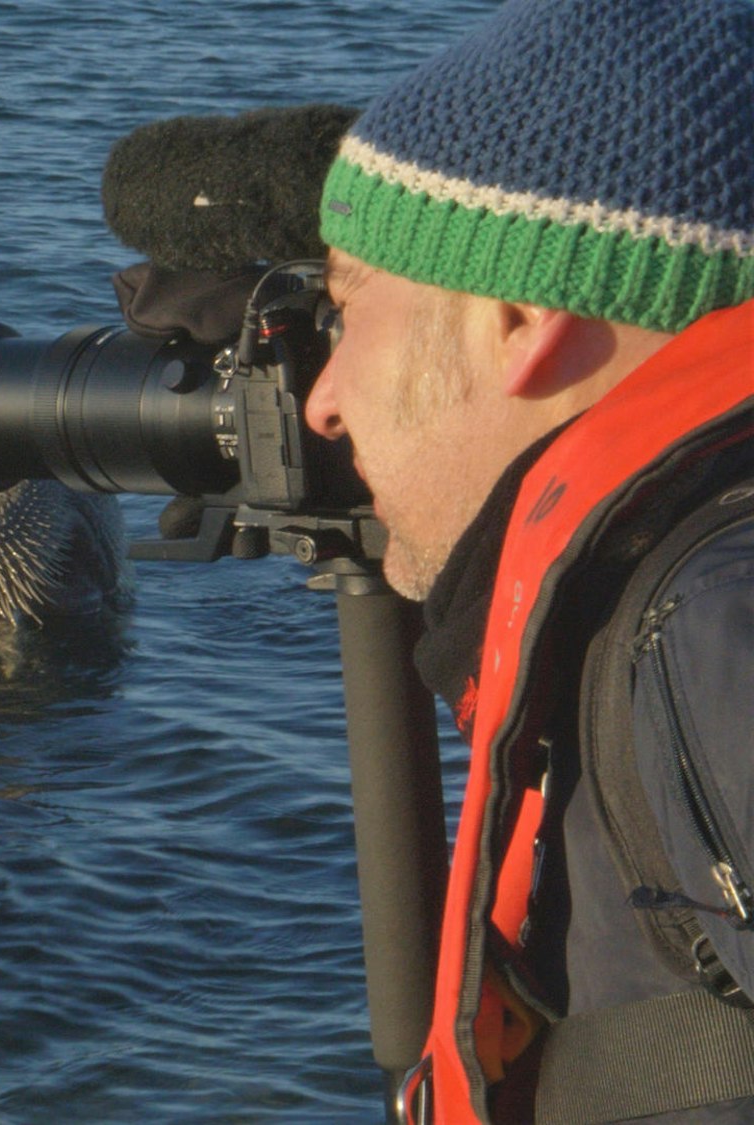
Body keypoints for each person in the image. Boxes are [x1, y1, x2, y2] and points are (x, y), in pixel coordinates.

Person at [301, 0, 754, 1121]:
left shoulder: (710, 623)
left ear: (516, 317)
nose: (318, 400)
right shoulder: (661, 584)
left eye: (343, 308)